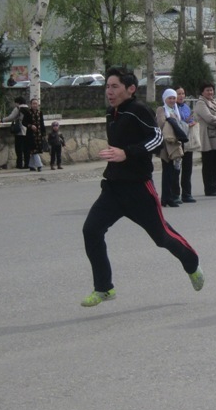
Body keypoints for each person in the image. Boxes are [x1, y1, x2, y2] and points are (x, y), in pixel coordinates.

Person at [80, 67, 204, 307]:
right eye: (107, 86)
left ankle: (192, 263)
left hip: (139, 190)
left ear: (130, 89)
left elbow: (156, 139)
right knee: (91, 230)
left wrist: (127, 153)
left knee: (162, 237)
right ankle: (104, 287)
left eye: (114, 86)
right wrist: (116, 155)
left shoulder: (138, 110)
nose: (109, 91)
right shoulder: (111, 113)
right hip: (113, 188)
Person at [194, 81, 216, 197]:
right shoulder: (201, 103)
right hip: (206, 137)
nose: (210, 92)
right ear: (202, 92)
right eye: (207, 90)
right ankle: (209, 188)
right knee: (208, 163)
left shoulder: (212, 102)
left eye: (211, 90)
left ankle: (214, 186)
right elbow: (209, 118)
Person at [156, 88, 184, 208]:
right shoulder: (161, 109)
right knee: (167, 171)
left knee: (173, 171)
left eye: (174, 98)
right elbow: (161, 124)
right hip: (166, 144)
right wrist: (171, 122)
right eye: (170, 98)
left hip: (175, 143)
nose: (172, 100)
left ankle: (170, 196)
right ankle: (166, 198)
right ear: (165, 99)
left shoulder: (175, 109)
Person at [175, 87, 197, 203]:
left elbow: (190, 119)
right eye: (179, 94)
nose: (181, 96)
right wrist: (186, 124)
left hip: (187, 140)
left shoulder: (186, 107)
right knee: (176, 169)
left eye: (183, 93)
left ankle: (187, 193)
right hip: (176, 141)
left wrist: (191, 123)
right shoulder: (172, 108)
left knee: (187, 168)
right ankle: (175, 194)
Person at [3, 96, 29, 169]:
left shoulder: (18, 109)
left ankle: (19, 164)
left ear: (18, 102)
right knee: (26, 149)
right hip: (27, 130)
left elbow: (11, 117)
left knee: (19, 148)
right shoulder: (28, 108)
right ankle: (27, 163)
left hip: (20, 131)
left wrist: (2, 120)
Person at [23, 98, 46, 171]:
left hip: (38, 134)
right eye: (33, 104)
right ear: (31, 104)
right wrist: (30, 126)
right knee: (34, 150)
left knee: (35, 151)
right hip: (31, 135)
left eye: (36, 103)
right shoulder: (28, 113)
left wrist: (43, 133)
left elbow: (42, 123)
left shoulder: (40, 112)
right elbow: (24, 122)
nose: (35, 105)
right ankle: (39, 165)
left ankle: (31, 165)